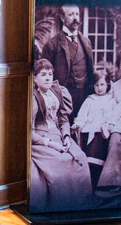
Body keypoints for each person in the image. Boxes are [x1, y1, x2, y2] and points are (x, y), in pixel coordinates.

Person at [29, 58, 94, 212]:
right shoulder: (33, 98)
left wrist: (66, 136)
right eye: (43, 74)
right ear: (35, 78)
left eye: (50, 74)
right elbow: (29, 133)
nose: (47, 78)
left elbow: (63, 119)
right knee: (62, 162)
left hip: (59, 136)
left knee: (81, 158)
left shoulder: (57, 92)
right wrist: (51, 144)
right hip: (41, 141)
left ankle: (81, 207)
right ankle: (61, 207)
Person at [71, 61, 117, 187]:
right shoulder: (90, 99)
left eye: (102, 84)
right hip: (89, 132)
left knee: (101, 142)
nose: (100, 88)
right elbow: (82, 116)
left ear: (107, 85)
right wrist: (78, 124)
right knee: (89, 152)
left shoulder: (111, 101)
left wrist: (109, 126)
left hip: (103, 133)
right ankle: (88, 182)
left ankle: (98, 181)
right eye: (97, 85)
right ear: (93, 86)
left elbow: (114, 117)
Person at [41, 4, 95, 111]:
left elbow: (90, 70)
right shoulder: (52, 44)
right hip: (63, 98)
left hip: (84, 96)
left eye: (77, 14)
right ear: (62, 18)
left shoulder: (86, 42)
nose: (75, 18)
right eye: (71, 15)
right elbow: (45, 74)